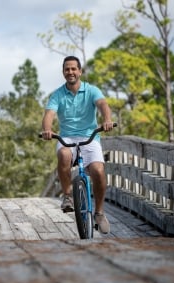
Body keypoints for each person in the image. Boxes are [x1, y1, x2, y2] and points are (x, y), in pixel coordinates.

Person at [41, 56, 114, 234]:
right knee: (64, 154)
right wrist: (47, 129)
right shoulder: (58, 94)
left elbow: (102, 104)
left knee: (97, 170)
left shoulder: (91, 90)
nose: (70, 72)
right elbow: (49, 114)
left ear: (80, 71)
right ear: (63, 72)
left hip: (90, 137)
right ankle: (67, 196)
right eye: (67, 69)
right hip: (67, 138)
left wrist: (107, 119)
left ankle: (99, 212)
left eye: (74, 69)